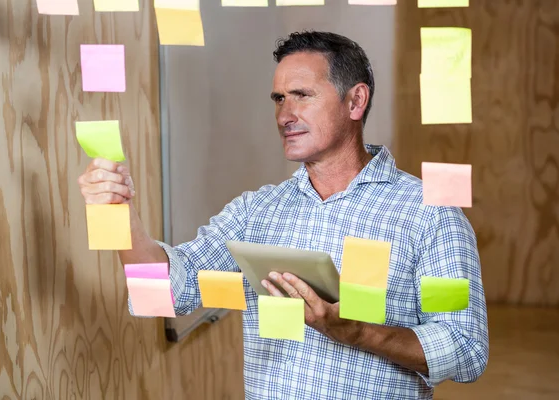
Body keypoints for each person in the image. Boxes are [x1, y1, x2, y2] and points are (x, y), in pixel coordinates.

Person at [77, 31, 489, 399]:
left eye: (302, 95)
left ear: (355, 101)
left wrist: (358, 331)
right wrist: (118, 215)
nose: (284, 115)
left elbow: (465, 349)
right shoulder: (257, 212)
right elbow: (165, 292)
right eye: (278, 98)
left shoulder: (429, 214)